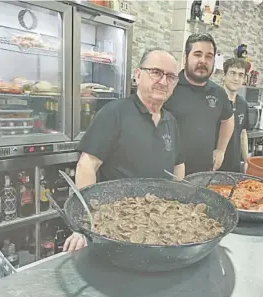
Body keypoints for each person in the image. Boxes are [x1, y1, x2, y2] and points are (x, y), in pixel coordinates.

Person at [63, 48, 185, 251]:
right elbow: (87, 165)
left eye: (171, 76)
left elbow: (178, 165)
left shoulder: (170, 121)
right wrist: (85, 223)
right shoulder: (114, 114)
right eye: (156, 72)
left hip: (159, 228)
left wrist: (179, 207)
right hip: (116, 227)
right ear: (138, 75)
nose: (163, 81)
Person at [164, 33, 234, 175]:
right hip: (169, 174)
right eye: (197, 54)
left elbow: (228, 120)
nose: (203, 61)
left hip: (203, 174)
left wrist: (220, 150)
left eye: (209, 56)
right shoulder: (168, 87)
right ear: (185, 58)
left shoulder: (218, 93)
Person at [218, 58, 250, 173]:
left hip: (234, 166)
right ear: (224, 75)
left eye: (241, 75)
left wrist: (247, 161)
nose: (236, 78)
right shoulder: (214, 101)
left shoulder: (243, 104)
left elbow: (243, 134)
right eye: (232, 73)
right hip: (214, 165)